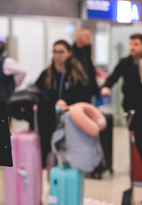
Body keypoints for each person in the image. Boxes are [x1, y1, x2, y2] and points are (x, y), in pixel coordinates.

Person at [36, 39, 89, 167]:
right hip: (49, 121)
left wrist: (68, 104)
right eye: (55, 52)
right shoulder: (46, 74)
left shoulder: (76, 74)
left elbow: (84, 96)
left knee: (68, 154)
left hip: (70, 121)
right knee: (49, 154)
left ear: (69, 53)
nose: (57, 55)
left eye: (61, 52)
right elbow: (37, 93)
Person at [101, 33, 142, 161]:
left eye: (136, 44)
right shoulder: (125, 62)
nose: (132, 47)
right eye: (131, 44)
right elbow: (114, 76)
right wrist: (106, 86)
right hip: (130, 106)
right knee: (136, 139)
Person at [72, 27, 100, 101]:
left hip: (88, 90)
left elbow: (88, 67)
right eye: (87, 36)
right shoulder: (71, 53)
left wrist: (95, 70)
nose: (89, 39)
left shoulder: (86, 50)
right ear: (79, 37)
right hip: (76, 91)